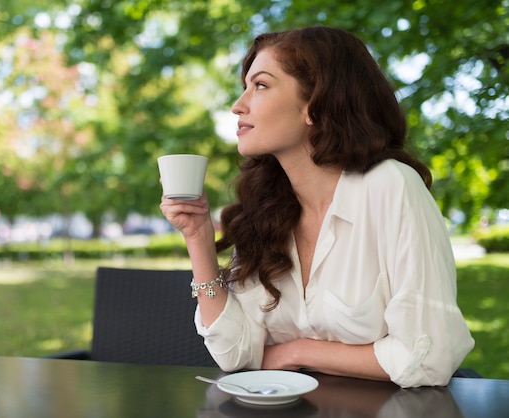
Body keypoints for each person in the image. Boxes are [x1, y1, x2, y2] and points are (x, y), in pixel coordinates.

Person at [159, 25, 474, 388]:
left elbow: (430, 356)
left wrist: (298, 352)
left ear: (314, 105)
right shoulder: (265, 208)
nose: (238, 105)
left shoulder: (391, 186)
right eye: (244, 86)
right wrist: (198, 236)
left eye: (260, 85)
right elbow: (236, 354)